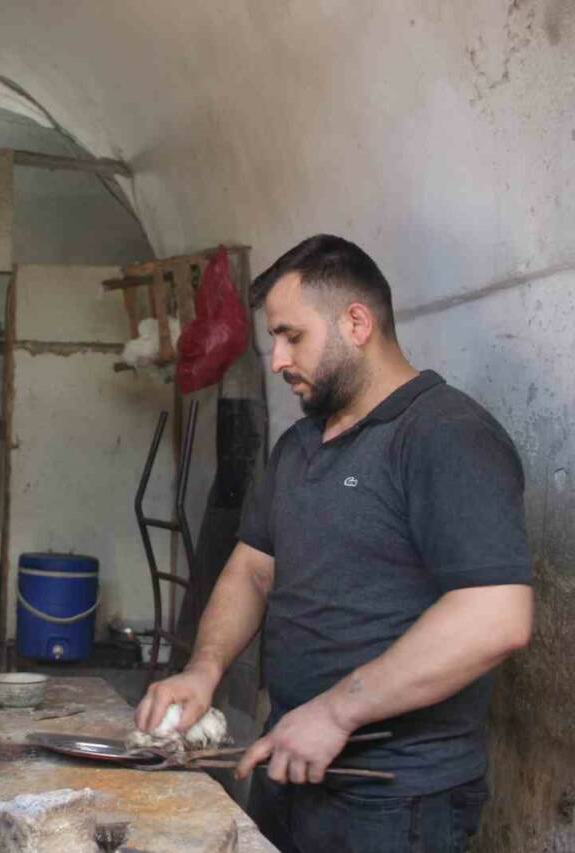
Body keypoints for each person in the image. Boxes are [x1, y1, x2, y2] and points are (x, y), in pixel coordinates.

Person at [135, 235, 533, 852]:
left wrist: (337, 712)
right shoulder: (298, 448)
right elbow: (251, 570)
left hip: (396, 799)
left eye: (291, 335)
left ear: (356, 322)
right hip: (288, 768)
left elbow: (496, 617)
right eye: (274, 338)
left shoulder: (445, 436)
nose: (276, 359)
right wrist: (203, 670)